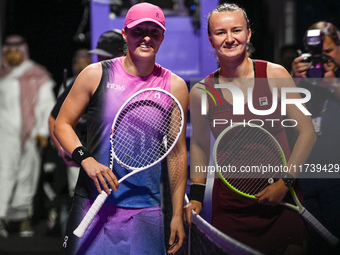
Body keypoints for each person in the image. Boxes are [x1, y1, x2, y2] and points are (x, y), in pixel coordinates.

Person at [54, 3, 188, 254]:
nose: (146, 37)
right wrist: (87, 160)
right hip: (91, 203)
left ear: (162, 38)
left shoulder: (176, 86)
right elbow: (62, 124)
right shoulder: (95, 74)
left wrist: (177, 214)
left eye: (154, 32)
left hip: (145, 209)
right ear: (125, 34)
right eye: (139, 31)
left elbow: (177, 154)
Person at [183, 3, 316, 254]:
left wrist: (284, 184)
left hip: (282, 202)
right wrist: (197, 196)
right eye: (220, 32)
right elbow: (200, 145)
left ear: (249, 34)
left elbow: (307, 133)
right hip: (232, 210)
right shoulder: (201, 91)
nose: (230, 38)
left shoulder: (275, 74)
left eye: (236, 30)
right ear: (210, 39)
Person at [47, 30, 126, 236]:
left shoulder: (134, 84)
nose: (100, 60)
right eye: (99, 54)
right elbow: (56, 119)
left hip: (120, 162)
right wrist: (65, 151)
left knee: (115, 217)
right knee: (85, 210)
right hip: (82, 156)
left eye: (106, 56)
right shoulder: (86, 78)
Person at [291, 21, 340, 255]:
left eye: (328, 52)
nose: (322, 60)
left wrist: (332, 86)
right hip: (306, 175)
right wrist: (292, 79)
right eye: (315, 55)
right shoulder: (299, 80)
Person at [0, 34, 56, 238]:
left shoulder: (36, 74)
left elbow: (46, 104)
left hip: (30, 135)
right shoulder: (2, 74)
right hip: (3, 136)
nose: (13, 55)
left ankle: (23, 219)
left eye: (17, 51)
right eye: (9, 51)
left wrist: (42, 131)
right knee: (3, 175)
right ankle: (1, 219)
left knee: (26, 178)